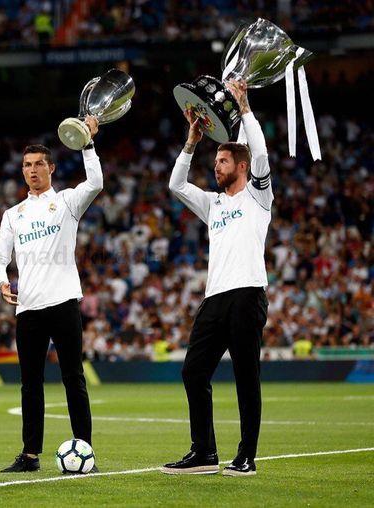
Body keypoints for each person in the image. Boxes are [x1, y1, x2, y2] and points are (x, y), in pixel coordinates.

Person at [163, 80, 272, 476]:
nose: (217, 166)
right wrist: (191, 142)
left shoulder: (258, 196)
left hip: (247, 294)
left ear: (242, 167)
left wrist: (245, 108)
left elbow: (260, 152)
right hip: (215, 299)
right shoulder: (213, 204)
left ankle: (246, 456)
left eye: (223, 161)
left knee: (246, 378)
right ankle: (204, 452)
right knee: (193, 371)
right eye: (216, 161)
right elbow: (176, 185)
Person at [0, 116, 102, 473]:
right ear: (22, 171)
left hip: (64, 301)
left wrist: (87, 143)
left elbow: (96, 182)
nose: (33, 170)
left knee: (73, 378)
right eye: (27, 165)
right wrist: (2, 283)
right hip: (28, 308)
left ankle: (86, 449)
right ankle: (30, 455)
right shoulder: (13, 215)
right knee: (30, 385)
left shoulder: (67, 202)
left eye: (39, 164)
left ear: (51, 168)